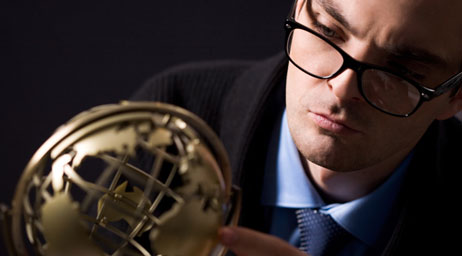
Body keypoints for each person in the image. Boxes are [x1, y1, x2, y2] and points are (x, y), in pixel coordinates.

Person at [132, 0, 462, 255]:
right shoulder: (166, 121)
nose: (343, 88)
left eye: (404, 70)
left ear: (454, 97)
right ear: (299, 7)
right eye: (329, 30)